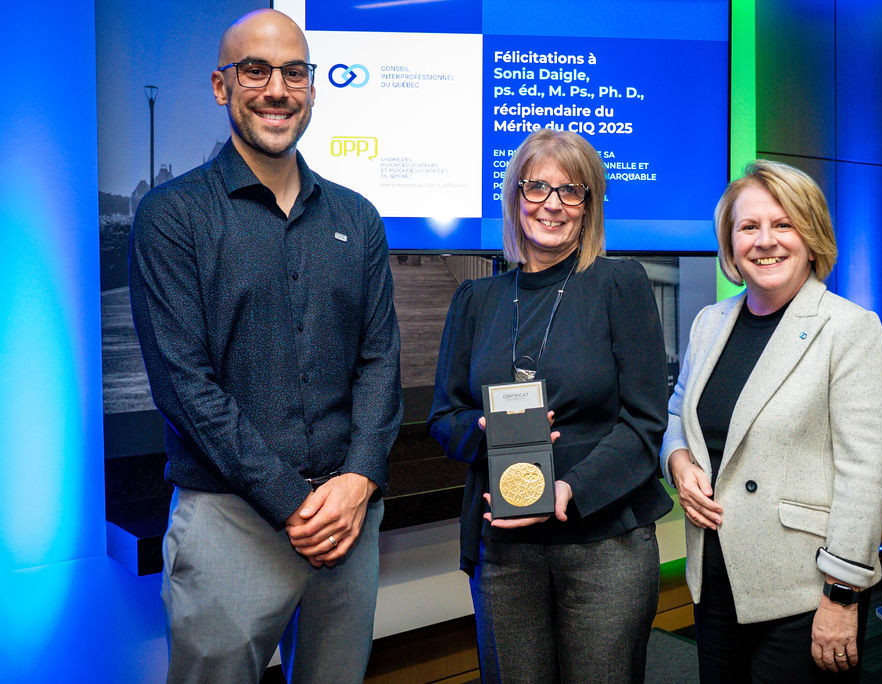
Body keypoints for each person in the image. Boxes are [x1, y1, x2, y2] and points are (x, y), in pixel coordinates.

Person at [129, 9, 401, 683]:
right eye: (256, 71)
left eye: (294, 72)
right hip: (232, 520)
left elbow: (379, 362)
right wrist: (292, 499)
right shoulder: (172, 217)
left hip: (349, 518)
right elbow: (183, 385)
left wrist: (360, 479)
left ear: (311, 88)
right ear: (223, 87)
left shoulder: (356, 218)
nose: (277, 89)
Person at [427, 128, 673, 683]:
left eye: (572, 191)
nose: (552, 205)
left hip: (604, 541)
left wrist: (570, 490)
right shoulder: (476, 299)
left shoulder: (619, 284)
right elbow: (446, 416)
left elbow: (645, 423)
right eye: (537, 187)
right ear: (515, 197)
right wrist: (486, 429)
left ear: (590, 206)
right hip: (504, 548)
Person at [661, 160, 882, 682]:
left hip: (804, 593)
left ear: (811, 237)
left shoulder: (848, 329)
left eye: (782, 224)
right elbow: (677, 412)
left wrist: (841, 597)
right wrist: (677, 459)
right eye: (749, 227)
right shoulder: (709, 322)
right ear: (731, 243)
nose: (765, 241)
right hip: (716, 582)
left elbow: (865, 474)